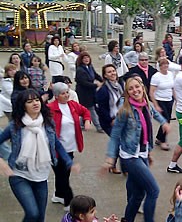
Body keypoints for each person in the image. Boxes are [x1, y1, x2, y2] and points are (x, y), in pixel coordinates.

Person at [0, 89, 79, 222]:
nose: (35, 103)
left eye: (37, 100)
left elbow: (56, 144)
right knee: (32, 213)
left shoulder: (48, 122)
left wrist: (68, 162)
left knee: (40, 217)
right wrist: (1, 161)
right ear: (23, 105)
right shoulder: (15, 126)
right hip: (19, 175)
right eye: (29, 102)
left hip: (41, 176)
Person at [101, 76, 170, 222]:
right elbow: (115, 135)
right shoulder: (125, 110)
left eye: (137, 87)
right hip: (130, 157)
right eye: (130, 88)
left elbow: (156, 114)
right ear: (127, 92)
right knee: (153, 190)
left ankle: (127, 219)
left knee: (138, 194)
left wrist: (164, 123)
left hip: (142, 153)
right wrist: (110, 157)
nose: (135, 90)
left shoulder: (146, 105)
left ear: (142, 88)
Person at [48, 82, 91, 211]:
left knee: (64, 174)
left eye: (67, 92)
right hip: (56, 149)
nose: (66, 95)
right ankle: (69, 202)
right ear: (56, 95)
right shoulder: (50, 108)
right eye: (63, 93)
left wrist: (87, 121)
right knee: (62, 175)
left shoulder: (72, 105)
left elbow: (85, 111)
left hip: (70, 147)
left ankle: (58, 195)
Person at [95, 64, 124, 174]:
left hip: (122, 118)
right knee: (118, 141)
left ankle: (125, 167)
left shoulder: (120, 85)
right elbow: (100, 109)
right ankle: (113, 165)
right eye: (109, 72)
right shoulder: (103, 90)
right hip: (109, 121)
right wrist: (110, 120)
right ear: (105, 75)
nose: (112, 73)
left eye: (113, 71)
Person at [149, 59, 175, 150]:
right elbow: (151, 92)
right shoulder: (156, 77)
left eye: (167, 65)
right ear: (160, 66)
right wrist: (156, 105)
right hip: (160, 100)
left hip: (169, 99)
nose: (165, 67)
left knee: (167, 120)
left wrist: (176, 98)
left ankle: (159, 138)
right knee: (166, 120)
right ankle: (163, 141)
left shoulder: (171, 74)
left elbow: (172, 88)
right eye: (163, 65)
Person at [75, 52, 104, 133]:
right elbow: (84, 83)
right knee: (91, 109)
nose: (86, 59)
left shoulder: (90, 67)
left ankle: (80, 124)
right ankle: (98, 126)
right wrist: (96, 85)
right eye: (84, 58)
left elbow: (95, 75)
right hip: (83, 93)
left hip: (90, 92)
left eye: (87, 57)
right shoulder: (80, 70)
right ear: (81, 60)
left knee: (85, 109)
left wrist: (103, 80)